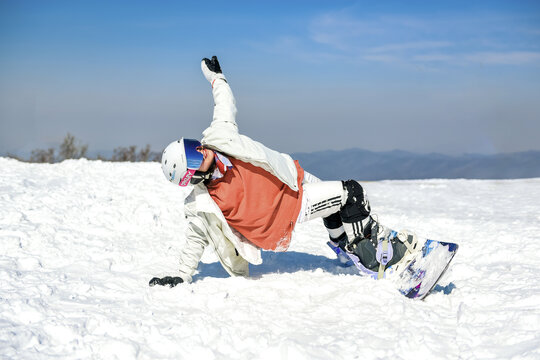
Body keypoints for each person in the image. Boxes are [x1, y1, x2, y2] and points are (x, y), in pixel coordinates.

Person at [149, 56, 419, 287]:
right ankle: (370, 254)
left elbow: (224, 106)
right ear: (193, 175)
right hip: (287, 210)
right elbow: (195, 239)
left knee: (336, 208)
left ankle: (344, 251)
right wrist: (181, 276)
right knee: (350, 193)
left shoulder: (218, 139)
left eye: (194, 146)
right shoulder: (202, 204)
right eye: (195, 156)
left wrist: (217, 78)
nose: (202, 150)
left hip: (292, 177)